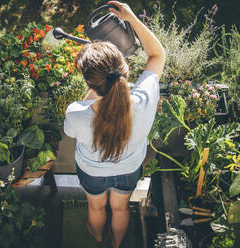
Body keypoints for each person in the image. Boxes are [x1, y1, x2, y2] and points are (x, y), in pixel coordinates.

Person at [63, 1, 165, 247]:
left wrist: (91, 92)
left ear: (89, 82)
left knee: (95, 206)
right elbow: (157, 54)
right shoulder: (143, 99)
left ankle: (97, 237)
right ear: (124, 69)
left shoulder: (76, 113)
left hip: (92, 172)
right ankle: (116, 244)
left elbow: (72, 128)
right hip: (129, 169)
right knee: (120, 209)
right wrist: (131, 18)